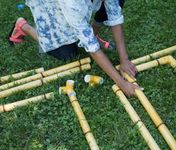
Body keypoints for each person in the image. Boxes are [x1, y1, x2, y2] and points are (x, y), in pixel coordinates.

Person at [9, 0, 140, 96]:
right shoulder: (72, 3)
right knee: (66, 54)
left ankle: (91, 35)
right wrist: (121, 83)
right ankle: (23, 26)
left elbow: (115, 15)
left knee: (117, 1)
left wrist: (124, 60)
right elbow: (92, 50)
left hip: (74, 7)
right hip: (51, 4)